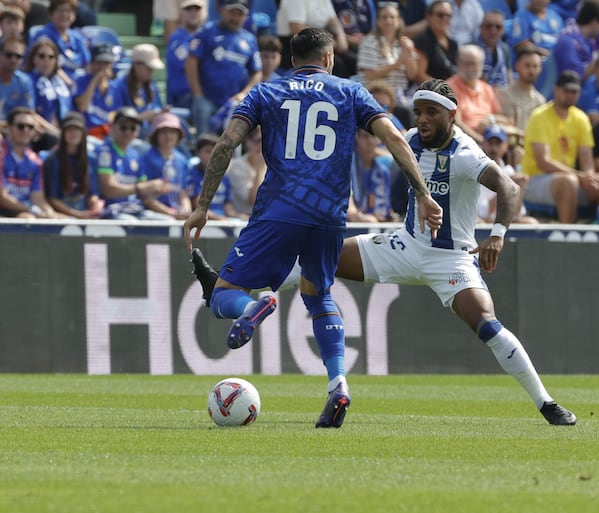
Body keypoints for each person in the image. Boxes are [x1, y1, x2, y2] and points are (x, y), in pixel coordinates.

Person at [188, 78, 577, 427]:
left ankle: (546, 403)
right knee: (321, 264)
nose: (422, 119)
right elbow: (398, 178)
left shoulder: (464, 154)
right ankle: (254, 298)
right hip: (403, 245)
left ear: (453, 115)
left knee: (488, 325)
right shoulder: (409, 139)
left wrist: (497, 235)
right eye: (420, 112)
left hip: (451, 258)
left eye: (431, 113)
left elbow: (508, 189)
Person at [182, 28, 443, 429]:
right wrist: (422, 193)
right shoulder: (351, 92)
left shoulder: (265, 92)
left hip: (278, 211)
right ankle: (338, 384)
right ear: (328, 58)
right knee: (318, 294)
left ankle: (255, 306)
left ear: (291, 60)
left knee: (221, 296)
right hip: (329, 216)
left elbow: (225, 145)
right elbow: (393, 135)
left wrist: (202, 206)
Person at [521, 70, 599, 223]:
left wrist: (589, 177)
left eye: (574, 91)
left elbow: (587, 158)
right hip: (535, 179)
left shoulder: (581, 118)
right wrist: (580, 176)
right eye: (566, 91)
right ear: (556, 90)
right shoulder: (539, 116)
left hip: (569, 176)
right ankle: (567, 236)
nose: (570, 95)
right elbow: (543, 163)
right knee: (568, 182)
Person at [187, 0, 263, 136]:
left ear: (246, 17)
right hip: (207, 98)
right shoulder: (207, 31)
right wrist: (197, 93)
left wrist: (244, 94)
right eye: (232, 13)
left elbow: (257, 72)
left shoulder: (249, 39)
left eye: (239, 14)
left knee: (231, 143)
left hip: (233, 102)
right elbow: (191, 62)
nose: (235, 18)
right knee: (204, 140)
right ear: (222, 11)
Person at [95, 107, 173, 220]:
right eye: (123, 127)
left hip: (136, 210)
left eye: (132, 128)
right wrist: (141, 187)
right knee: (130, 222)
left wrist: (156, 190)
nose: (128, 132)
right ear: (112, 127)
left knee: (167, 222)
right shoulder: (105, 152)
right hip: (112, 210)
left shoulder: (136, 155)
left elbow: (144, 193)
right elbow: (108, 190)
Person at [0, 107, 59, 218]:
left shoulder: (35, 162)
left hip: (25, 210)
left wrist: (48, 212)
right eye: (20, 126)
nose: (25, 130)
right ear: (9, 128)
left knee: (57, 218)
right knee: (27, 218)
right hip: (6, 213)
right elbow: (2, 198)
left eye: (30, 127)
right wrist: (33, 210)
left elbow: (37, 197)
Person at [42, 111, 103, 218]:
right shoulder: (53, 159)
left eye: (77, 129)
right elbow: (52, 198)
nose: (73, 133)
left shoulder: (91, 158)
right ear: (63, 133)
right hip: (62, 212)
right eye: (69, 129)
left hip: (83, 207)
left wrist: (95, 205)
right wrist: (77, 215)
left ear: (83, 133)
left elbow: (92, 193)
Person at [356, 1, 417, 106]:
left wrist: (409, 51)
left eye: (392, 17)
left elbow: (412, 75)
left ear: (398, 21)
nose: (388, 21)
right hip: (376, 96)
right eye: (384, 17)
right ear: (378, 21)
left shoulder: (401, 43)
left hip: (400, 95)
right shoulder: (370, 41)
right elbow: (370, 75)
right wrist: (396, 64)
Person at [478, 124, 537, 224]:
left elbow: (516, 212)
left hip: (503, 220)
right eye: (490, 143)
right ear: (483, 144)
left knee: (531, 222)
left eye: (498, 143)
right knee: (479, 223)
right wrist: (507, 187)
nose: (494, 148)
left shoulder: (509, 171)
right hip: (485, 221)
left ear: (505, 146)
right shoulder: (477, 170)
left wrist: (520, 188)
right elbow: (484, 213)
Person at [446, 44, 504, 144]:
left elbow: (504, 118)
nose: (470, 68)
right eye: (466, 64)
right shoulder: (449, 89)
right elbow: (456, 124)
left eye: (474, 63)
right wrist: (482, 142)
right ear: (458, 63)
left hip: (491, 140)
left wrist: (490, 119)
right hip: (464, 143)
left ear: (481, 65)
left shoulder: (486, 88)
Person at [141, 112, 192, 220]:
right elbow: (146, 198)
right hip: (155, 214)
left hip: (178, 213)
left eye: (172, 131)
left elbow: (184, 193)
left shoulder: (182, 160)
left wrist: (186, 211)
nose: (168, 136)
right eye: (164, 132)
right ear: (156, 135)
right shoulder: (146, 159)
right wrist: (171, 213)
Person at [112, 44, 167, 137]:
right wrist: (139, 118)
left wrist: (159, 113)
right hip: (130, 134)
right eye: (149, 68)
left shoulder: (151, 85)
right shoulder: (119, 86)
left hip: (151, 129)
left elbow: (157, 106)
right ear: (136, 65)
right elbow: (116, 118)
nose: (152, 72)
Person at [29, 0, 90, 82]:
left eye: (68, 11)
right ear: (51, 14)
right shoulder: (44, 35)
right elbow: (46, 65)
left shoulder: (77, 37)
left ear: (74, 15)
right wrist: (70, 83)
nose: (64, 14)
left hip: (78, 84)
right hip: (54, 83)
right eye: (59, 10)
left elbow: (87, 64)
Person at [166, 0, 207, 109]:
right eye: (188, 9)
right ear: (181, 14)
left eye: (197, 9)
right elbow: (191, 65)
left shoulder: (208, 36)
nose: (193, 13)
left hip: (204, 95)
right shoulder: (176, 38)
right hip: (183, 98)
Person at [496, 46, 545, 133]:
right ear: (517, 66)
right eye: (527, 66)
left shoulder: (540, 101)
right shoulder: (504, 94)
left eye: (535, 66)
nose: (531, 70)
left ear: (540, 69)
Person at [74, 44, 118, 140]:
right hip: (86, 135)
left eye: (106, 63)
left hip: (108, 136)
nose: (102, 67)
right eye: (99, 63)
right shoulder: (81, 81)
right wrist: (94, 82)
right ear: (92, 64)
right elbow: (82, 107)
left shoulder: (115, 87)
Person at [412, 0, 458, 83]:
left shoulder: (453, 43)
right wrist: (443, 88)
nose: (445, 18)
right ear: (429, 17)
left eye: (448, 15)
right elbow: (419, 75)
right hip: (430, 91)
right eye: (440, 15)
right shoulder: (422, 41)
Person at [0, 36, 35, 131]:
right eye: (9, 55)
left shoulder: (24, 81)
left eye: (18, 56)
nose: (13, 60)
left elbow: (29, 113)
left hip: (15, 130)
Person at [475, 9, 513, 88]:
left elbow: (509, 79)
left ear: (503, 30)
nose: (493, 31)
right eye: (488, 26)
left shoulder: (505, 49)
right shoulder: (471, 48)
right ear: (481, 27)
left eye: (498, 27)